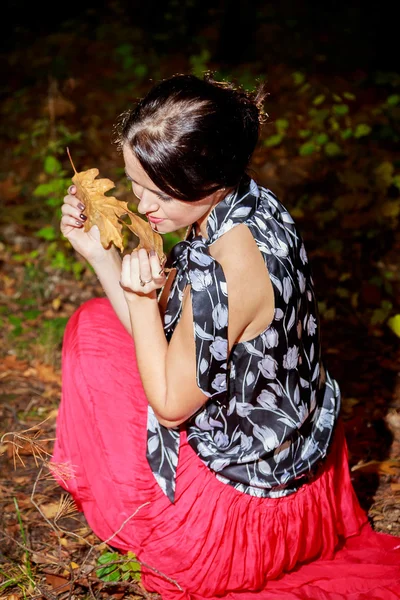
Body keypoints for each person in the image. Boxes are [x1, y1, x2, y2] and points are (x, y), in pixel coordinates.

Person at [53, 74, 400, 599]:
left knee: (93, 333)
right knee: (103, 316)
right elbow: (192, 335)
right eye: (135, 182)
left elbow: (170, 405)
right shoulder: (254, 206)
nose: (143, 205)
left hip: (237, 524)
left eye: (161, 191)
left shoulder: (225, 270)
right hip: (301, 477)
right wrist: (101, 254)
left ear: (209, 177)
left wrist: (145, 302)